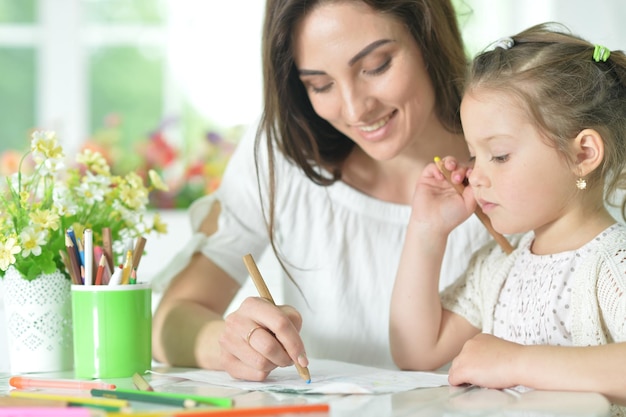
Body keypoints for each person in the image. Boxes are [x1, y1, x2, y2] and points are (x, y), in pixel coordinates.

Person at [152, 0, 492, 381]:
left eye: (376, 66)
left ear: (428, 36)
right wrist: (232, 344)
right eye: (321, 84)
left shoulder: (515, 154)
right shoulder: (282, 153)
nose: (354, 109)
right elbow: (167, 321)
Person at [389, 22, 626, 412]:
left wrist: (516, 361)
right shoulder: (499, 265)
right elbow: (415, 351)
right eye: (473, 154)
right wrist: (426, 230)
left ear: (583, 154)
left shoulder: (611, 265)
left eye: (498, 155)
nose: (476, 175)